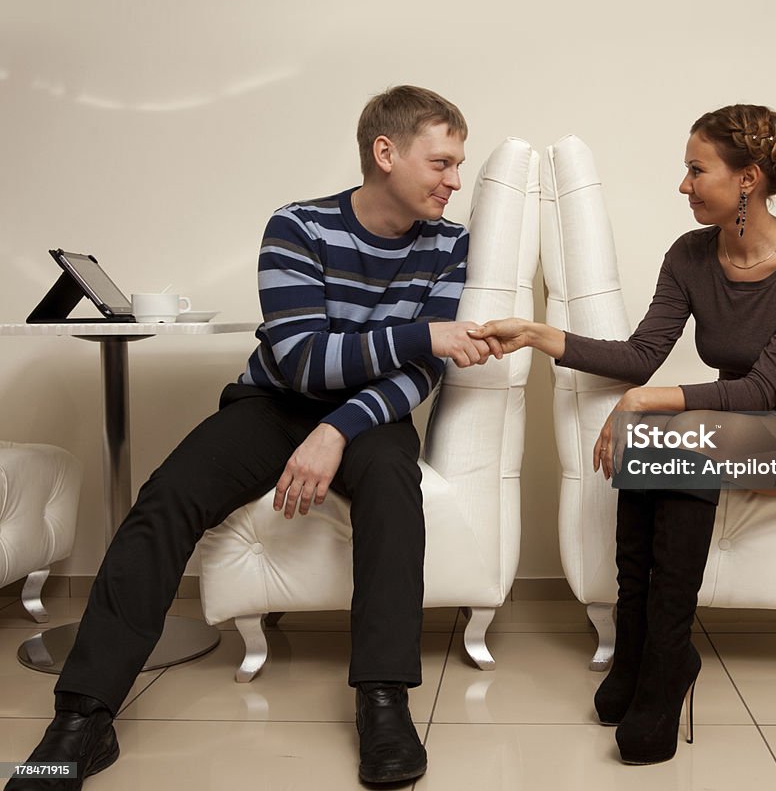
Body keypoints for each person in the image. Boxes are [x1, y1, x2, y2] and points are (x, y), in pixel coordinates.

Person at [7, 85, 491, 790]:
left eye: (460, 165)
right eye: (443, 163)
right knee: (166, 498)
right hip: (272, 401)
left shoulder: (450, 245)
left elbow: (420, 375)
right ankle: (81, 719)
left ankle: (383, 702)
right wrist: (422, 334)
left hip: (371, 412)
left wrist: (338, 427)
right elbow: (299, 358)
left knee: (392, 483)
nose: (455, 181)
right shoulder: (297, 227)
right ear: (386, 153)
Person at [473, 104, 776, 765]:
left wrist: (643, 401)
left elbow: (763, 388)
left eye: (696, 169)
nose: (683, 185)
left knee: (670, 441)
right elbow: (640, 355)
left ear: (748, 179)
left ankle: (659, 672)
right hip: (749, 428)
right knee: (659, 446)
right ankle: (642, 655)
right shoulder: (690, 255)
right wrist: (541, 334)